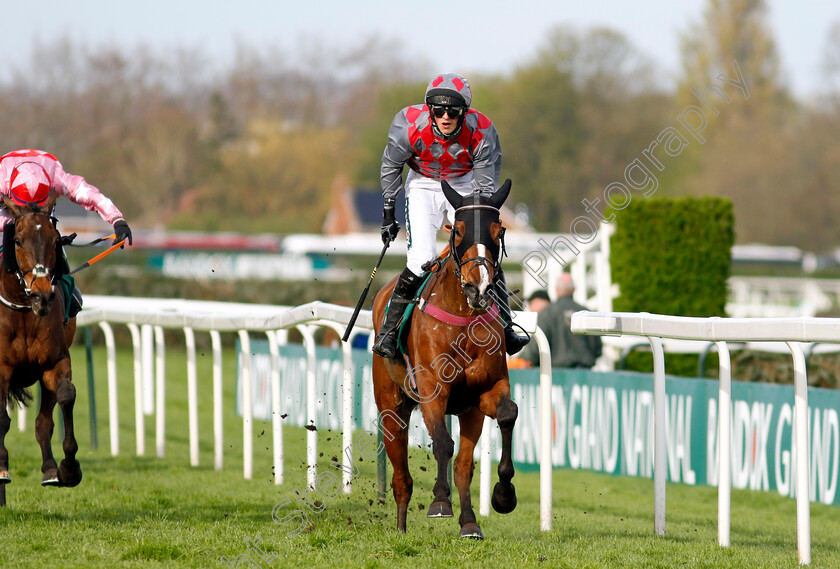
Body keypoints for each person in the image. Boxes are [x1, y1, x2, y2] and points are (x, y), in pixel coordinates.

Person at [371, 73, 528, 359]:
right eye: (438, 110)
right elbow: (391, 167)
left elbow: (485, 186)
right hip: (422, 183)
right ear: (429, 109)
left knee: (482, 254)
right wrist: (388, 213)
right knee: (421, 259)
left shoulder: (482, 131)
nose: (445, 117)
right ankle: (389, 331)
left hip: (464, 183)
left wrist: (477, 224)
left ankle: (506, 327)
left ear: (464, 112)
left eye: (453, 111)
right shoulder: (407, 124)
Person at [0, 149, 133, 318]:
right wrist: (11, 225)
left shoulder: (56, 176)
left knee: (56, 257)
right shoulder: (1, 179)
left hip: (43, 222)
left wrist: (117, 220)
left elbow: (91, 195)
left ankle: (69, 298)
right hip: (10, 218)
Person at [520, 273, 602, 369]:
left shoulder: (547, 313)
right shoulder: (586, 313)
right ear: (573, 289)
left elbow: (535, 350)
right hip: (585, 376)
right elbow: (597, 348)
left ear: (556, 290)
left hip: (556, 375)